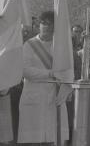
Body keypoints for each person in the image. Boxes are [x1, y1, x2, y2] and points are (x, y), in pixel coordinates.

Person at [18, 11, 69, 145]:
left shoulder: (60, 47)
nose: (46, 27)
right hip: (34, 97)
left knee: (53, 138)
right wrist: (50, 73)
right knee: (32, 140)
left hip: (54, 98)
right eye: (44, 23)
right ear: (38, 25)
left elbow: (66, 72)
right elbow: (25, 71)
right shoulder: (29, 45)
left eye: (50, 24)